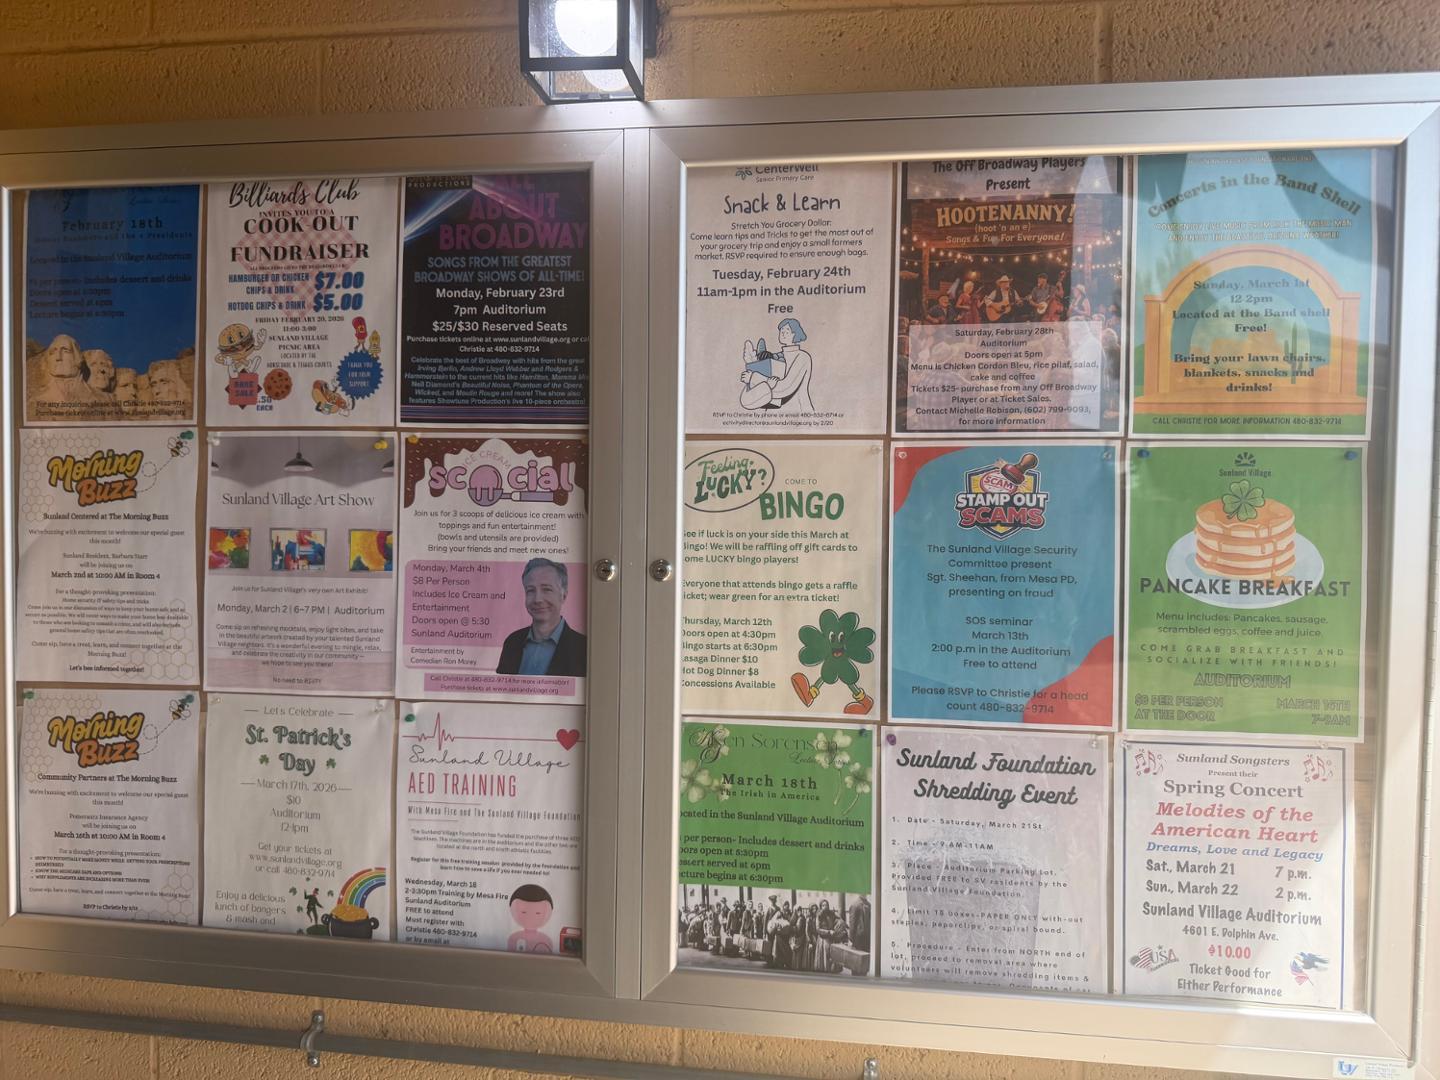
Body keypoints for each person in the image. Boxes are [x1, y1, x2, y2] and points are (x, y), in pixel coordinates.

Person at [497, 558, 587, 677]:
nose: (537, 599)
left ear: (563, 596)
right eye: (530, 590)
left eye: (546, 589)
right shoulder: (512, 642)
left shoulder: (583, 647)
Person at [738, 317, 813, 412]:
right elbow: (767, 385)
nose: (783, 333)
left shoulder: (802, 357)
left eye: (787, 330)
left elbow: (785, 388)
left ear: (795, 334)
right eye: (781, 330)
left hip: (797, 412)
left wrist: (753, 378)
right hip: (772, 412)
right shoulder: (775, 356)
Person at [507, 883, 555, 953]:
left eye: (538, 913)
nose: (530, 917)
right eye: (523, 912)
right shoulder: (513, 939)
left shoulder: (546, 941)